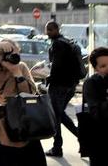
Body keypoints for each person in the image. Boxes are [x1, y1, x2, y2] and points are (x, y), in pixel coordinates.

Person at [0, 40, 46, 166]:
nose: (12, 57)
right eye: (8, 54)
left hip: (21, 125)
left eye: (15, 53)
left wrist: (16, 73)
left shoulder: (21, 67)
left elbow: (30, 94)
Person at [44, 20, 79, 157]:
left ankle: (57, 147)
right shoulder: (67, 42)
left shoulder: (58, 44)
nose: (47, 33)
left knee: (55, 116)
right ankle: (81, 136)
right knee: (60, 115)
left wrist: (49, 78)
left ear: (55, 30)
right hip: (70, 85)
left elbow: (56, 65)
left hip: (59, 86)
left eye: (49, 30)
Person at [82, 47, 108, 166]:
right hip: (100, 141)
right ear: (96, 68)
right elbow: (96, 112)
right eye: (103, 66)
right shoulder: (91, 83)